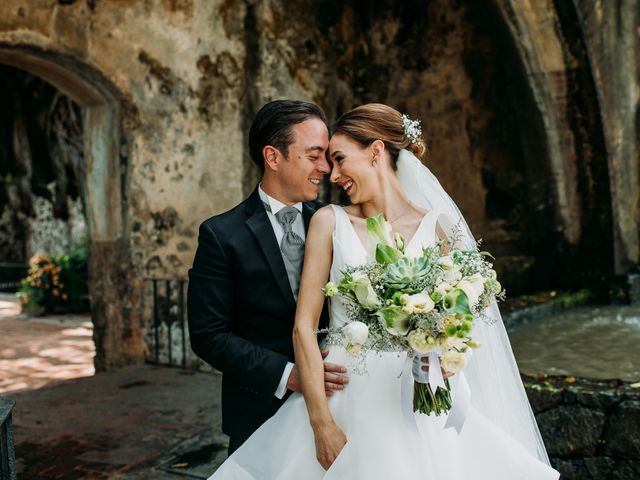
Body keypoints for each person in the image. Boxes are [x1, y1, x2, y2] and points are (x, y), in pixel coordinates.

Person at [208, 104, 560, 479]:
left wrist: (444, 348)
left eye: (340, 159)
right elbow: (302, 328)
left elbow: (464, 319)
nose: (333, 173)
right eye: (326, 160)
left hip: (419, 400)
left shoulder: (437, 229)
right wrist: (321, 423)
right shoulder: (329, 221)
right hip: (347, 398)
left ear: (376, 152)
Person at [187, 100, 348, 455]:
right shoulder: (221, 235)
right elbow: (208, 335)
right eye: (314, 155)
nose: (325, 168)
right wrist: (291, 375)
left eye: (328, 156)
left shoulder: (338, 223)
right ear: (273, 158)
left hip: (343, 403)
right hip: (261, 412)